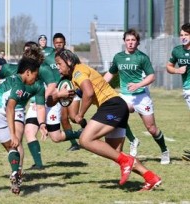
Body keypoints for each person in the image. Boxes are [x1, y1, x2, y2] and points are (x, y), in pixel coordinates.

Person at [50, 48, 162, 191]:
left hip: (111, 106)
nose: (58, 67)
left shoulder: (78, 71)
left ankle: (127, 162)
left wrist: (80, 114)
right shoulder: (76, 75)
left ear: (69, 61)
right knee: (115, 153)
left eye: (59, 64)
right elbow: (75, 95)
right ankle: (151, 177)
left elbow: (89, 93)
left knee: (85, 140)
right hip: (117, 106)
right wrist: (61, 96)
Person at [104, 28, 170, 165]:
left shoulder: (142, 57)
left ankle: (164, 151)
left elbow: (151, 76)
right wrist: (99, 85)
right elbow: (110, 74)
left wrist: (138, 85)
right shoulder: (118, 57)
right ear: (124, 42)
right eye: (128, 40)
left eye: (133, 40)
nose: (130, 43)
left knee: (151, 128)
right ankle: (132, 141)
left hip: (141, 96)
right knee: (117, 119)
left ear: (137, 42)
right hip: (125, 96)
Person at [0, 48, 47, 194]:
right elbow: (10, 108)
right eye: (35, 74)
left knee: (12, 146)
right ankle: (16, 172)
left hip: (0, 113)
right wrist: (14, 134)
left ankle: (16, 173)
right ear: (28, 71)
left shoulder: (19, 80)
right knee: (13, 144)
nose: (36, 77)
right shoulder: (20, 84)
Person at [44, 32, 82, 151]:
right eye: (56, 43)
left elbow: (79, 69)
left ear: (65, 43)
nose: (59, 45)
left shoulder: (70, 56)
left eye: (61, 43)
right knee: (63, 119)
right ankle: (74, 143)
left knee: (73, 117)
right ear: (53, 44)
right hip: (57, 92)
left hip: (71, 89)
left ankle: (87, 130)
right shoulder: (48, 58)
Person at [166, 23, 190, 161]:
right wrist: (177, 70)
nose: (183, 37)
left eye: (186, 34)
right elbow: (169, 66)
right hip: (187, 89)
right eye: (181, 35)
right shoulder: (177, 51)